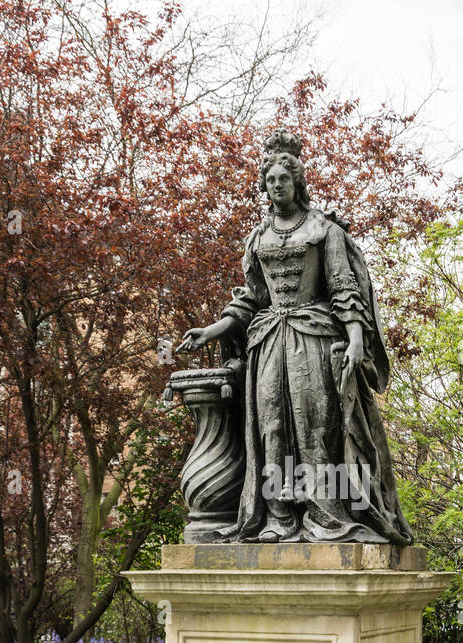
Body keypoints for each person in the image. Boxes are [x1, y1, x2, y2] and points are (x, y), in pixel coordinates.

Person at [177, 130, 412, 544]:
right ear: (264, 187)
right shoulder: (258, 238)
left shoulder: (324, 231)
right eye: (269, 181)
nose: (276, 186)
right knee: (272, 429)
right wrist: (210, 331)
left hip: (315, 343)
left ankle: (325, 514)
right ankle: (278, 518)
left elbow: (344, 289)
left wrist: (356, 339)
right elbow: (250, 299)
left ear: (297, 181)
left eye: (283, 179)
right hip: (269, 344)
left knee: (315, 428)